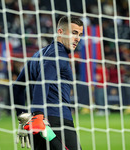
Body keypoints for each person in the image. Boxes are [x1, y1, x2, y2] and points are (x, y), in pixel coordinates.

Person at [13, 16, 83, 150]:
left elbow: (17, 87)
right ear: (60, 32)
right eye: (74, 33)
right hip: (56, 121)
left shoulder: (37, 55)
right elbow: (43, 81)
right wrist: (38, 114)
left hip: (37, 124)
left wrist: (22, 116)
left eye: (80, 34)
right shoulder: (59, 54)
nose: (78, 38)